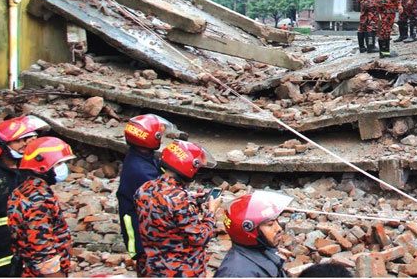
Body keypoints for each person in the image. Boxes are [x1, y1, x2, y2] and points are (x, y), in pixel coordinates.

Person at [135, 140, 220, 277]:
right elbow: (200, 237)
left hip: (150, 267)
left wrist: (191, 199)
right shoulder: (180, 200)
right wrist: (211, 212)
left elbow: (163, 206)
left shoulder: (144, 188)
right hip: (178, 270)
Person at [117, 114, 176, 276]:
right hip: (142, 232)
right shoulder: (142, 172)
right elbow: (162, 200)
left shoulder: (139, 157)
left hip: (137, 220)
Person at [7, 136, 75, 278]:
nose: (64, 168)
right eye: (59, 164)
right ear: (43, 167)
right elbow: (43, 254)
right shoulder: (37, 201)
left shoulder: (26, 190)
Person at [0, 116, 50, 277]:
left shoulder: (28, 171)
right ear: (2, 144)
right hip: (0, 252)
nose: (25, 144)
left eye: (27, 139)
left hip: (27, 251)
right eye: (19, 141)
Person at [215, 191, 294, 277]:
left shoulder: (262, 250)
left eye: (276, 221)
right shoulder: (236, 274)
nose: (278, 228)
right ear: (248, 230)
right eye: (270, 225)